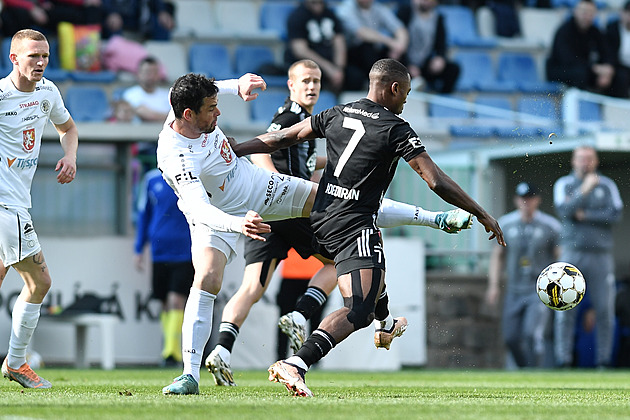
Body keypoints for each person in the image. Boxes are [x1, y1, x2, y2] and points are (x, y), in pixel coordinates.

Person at [159, 70, 474, 395]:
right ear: (187, 115)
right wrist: (239, 224)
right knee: (208, 277)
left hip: (256, 184)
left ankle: (433, 221)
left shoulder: (184, 101)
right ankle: (189, 375)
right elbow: (200, 210)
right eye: (212, 108)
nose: (218, 111)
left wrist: (234, 85)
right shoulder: (176, 157)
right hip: (218, 213)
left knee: (347, 201)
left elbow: (207, 92)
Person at [234, 58, 505, 397]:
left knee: (370, 272)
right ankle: (297, 363)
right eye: (404, 94)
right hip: (354, 224)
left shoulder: (336, 113)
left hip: (320, 218)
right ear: (393, 89)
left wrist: (236, 147)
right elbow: (435, 180)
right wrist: (480, 211)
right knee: (358, 309)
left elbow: (282, 137)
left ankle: (387, 324)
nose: (404, 101)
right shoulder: (396, 128)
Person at [0, 29, 79, 388]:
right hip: (6, 206)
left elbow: (68, 128)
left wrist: (70, 156)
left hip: (16, 203)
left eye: (45, 55)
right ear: (14, 58)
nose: (41, 62)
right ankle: (17, 363)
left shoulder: (48, 92)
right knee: (39, 281)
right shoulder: (2, 96)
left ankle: (16, 363)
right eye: (33, 56)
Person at [553, 145, 623, 368]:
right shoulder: (564, 183)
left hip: (601, 254)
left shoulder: (607, 185)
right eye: (581, 159)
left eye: (589, 159)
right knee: (565, 307)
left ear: (596, 161)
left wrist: (585, 215)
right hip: (573, 251)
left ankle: (603, 360)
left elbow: (616, 214)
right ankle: (563, 359)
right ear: (574, 161)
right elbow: (564, 211)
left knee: (605, 309)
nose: (586, 163)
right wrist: (584, 189)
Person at [486, 182, 561, 369]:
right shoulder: (505, 223)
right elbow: (497, 256)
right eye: (522, 199)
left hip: (538, 290)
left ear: (537, 200)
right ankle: (524, 369)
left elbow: (560, 258)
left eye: (529, 198)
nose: (525, 203)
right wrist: (493, 285)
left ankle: (534, 373)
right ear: (516, 200)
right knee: (510, 337)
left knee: (531, 334)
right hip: (514, 288)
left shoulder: (550, 226)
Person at [134, 168, 193, 367]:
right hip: (159, 251)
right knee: (165, 303)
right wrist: (139, 248)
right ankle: (169, 348)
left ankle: (172, 352)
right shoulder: (150, 179)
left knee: (176, 299)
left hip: (186, 250)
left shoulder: (190, 175)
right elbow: (144, 214)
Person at [546, 0, 626, 98]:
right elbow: (568, 59)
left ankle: (613, 109)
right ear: (576, 12)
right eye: (584, 12)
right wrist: (595, 69)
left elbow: (607, 52)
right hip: (561, 70)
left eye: (590, 13)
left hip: (586, 69)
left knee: (620, 76)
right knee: (581, 74)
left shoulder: (595, 31)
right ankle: (581, 108)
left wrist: (608, 70)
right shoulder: (564, 31)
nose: (587, 16)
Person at [284, 0, 363, 93]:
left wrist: (339, 69)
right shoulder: (297, 16)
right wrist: (329, 69)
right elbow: (300, 50)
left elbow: (339, 43)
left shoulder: (330, 15)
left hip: (332, 63)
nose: (318, 5)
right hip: (309, 64)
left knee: (356, 77)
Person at [335, 0, 408, 90]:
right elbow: (362, 33)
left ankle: (405, 83)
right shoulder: (345, 9)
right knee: (367, 48)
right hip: (352, 56)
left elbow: (400, 29)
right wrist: (391, 43)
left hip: (374, 54)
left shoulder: (378, 8)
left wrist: (399, 47)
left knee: (397, 55)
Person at [396, 0, 460, 93]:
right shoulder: (406, 12)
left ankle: (441, 98)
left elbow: (441, 44)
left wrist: (440, 57)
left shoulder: (438, 18)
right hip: (405, 62)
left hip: (425, 64)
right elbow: (398, 40)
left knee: (453, 69)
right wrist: (409, 65)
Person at [0, 0, 103, 38]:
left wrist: (83, 2)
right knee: (19, 15)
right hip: (18, 13)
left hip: (42, 10)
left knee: (83, 12)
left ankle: (89, 49)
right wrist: (31, 8)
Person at [122, 56, 171, 124]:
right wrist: (168, 118)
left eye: (154, 72)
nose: (151, 76)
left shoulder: (167, 95)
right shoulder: (130, 94)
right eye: (147, 72)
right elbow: (146, 115)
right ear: (139, 74)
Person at [101, 0, 175, 41]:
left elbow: (156, 3)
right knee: (112, 24)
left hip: (140, 17)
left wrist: (162, 12)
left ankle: (158, 61)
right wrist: (110, 12)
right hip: (115, 14)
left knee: (162, 25)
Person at [604, 0, 630, 98]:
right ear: (622, 13)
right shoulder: (612, 29)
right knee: (622, 77)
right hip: (617, 65)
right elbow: (608, 52)